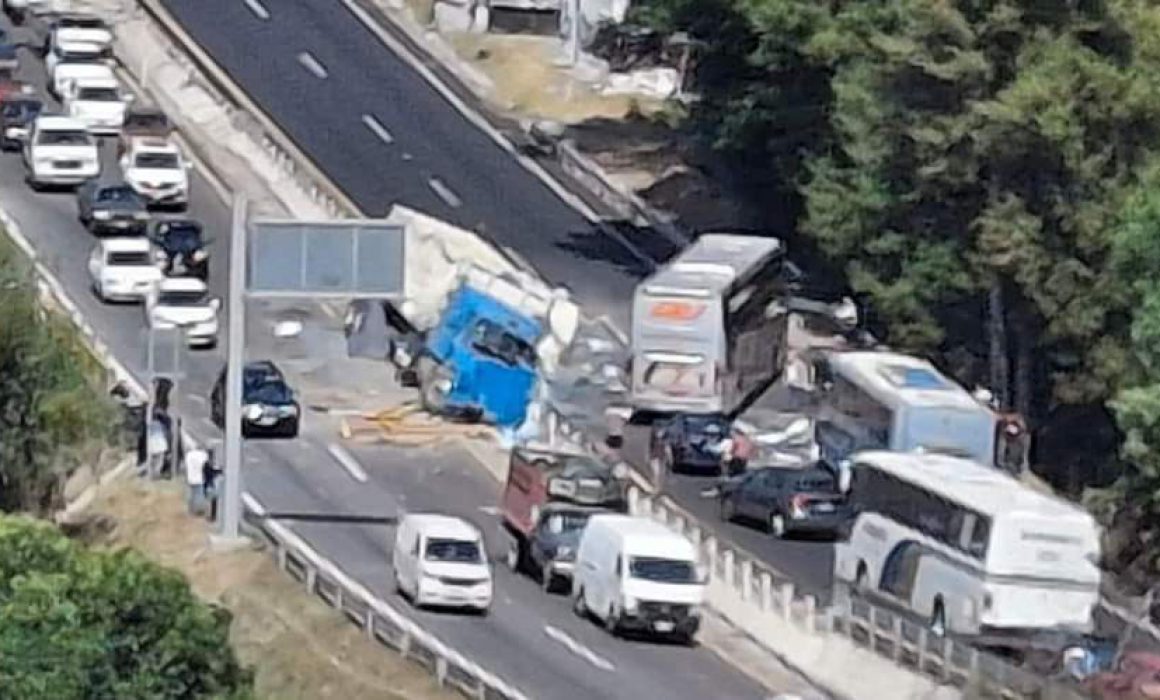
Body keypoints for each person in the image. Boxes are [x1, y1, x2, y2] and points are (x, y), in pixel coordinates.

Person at [184, 447, 208, 515]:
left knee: (191, 494)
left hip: (190, 477)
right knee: (199, 494)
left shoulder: (189, 455)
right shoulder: (203, 455)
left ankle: (191, 510)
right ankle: (198, 510)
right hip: (199, 478)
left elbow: (186, 466)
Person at [203, 450, 222, 523]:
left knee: (213, 501)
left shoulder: (208, 464)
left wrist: (218, 471)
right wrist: (218, 472)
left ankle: (212, 516)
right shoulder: (207, 465)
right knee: (211, 501)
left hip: (210, 485)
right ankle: (211, 517)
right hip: (209, 485)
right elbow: (210, 472)